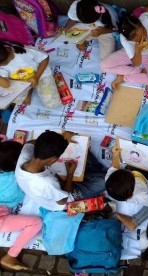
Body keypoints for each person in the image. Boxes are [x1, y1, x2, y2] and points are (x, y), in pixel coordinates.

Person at [15, 131, 106, 211]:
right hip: (65, 197)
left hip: (56, 185)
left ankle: (90, 173)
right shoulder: (46, 183)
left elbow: (30, 142)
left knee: (82, 150)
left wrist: (60, 139)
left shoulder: (25, 154)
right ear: (53, 159)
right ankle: (91, 174)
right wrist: (70, 173)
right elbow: (63, 200)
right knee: (104, 181)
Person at [101, 0, 148, 90]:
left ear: (141, 25)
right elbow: (136, 63)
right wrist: (138, 50)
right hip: (135, 55)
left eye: (143, 31)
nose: (144, 36)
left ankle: (124, 77)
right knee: (104, 66)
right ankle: (138, 72)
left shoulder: (145, 21)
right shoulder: (124, 39)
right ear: (129, 39)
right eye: (138, 38)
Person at [105, 146, 148, 231]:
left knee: (138, 155)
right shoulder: (140, 195)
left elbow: (114, 168)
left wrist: (115, 156)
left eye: (126, 172)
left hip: (142, 176)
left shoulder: (111, 179)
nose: (129, 173)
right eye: (131, 176)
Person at [0, 141, 42, 271]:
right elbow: (20, 196)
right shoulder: (12, 184)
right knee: (36, 223)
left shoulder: (9, 176)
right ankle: (10, 256)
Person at [0, 41, 60, 109]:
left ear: (9, 53)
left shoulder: (26, 52)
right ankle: (29, 90)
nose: (1, 66)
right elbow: (6, 84)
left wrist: (36, 77)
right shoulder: (2, 62)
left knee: (52, 104)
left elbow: (45, 58)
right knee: (9, 98)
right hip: (21, 80)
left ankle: (31, 87)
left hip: (40, 74)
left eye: (2, 64)